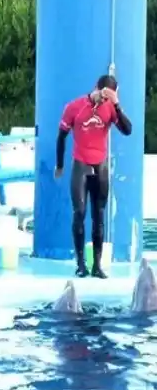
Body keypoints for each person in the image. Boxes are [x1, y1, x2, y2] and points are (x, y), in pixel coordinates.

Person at [55, 74, 132, 279]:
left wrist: (117, 105)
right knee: (79, 212)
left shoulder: (111, 108)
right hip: (81, 164)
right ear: (95, 87)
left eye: (109, 97)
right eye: (103, 95)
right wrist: (60, 165)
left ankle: (97, 265)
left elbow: (128, 130)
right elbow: (61, 136)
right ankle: (81, 264)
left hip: (100, 167)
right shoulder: (74, 107)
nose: (104, 100)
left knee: (98, 215)